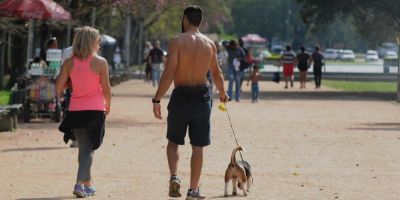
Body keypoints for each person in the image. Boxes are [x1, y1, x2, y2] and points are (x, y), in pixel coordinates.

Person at [152, 5, 228, 199]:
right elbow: (217, 74)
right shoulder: (210, 44)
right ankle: (193, 189)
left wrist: (157, 98)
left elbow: (169, 74)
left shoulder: (177, 41)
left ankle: (174, 177)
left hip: (181, 95)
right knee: (198, 146)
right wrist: (223, 93)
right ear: (200, 21)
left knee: (173, 141)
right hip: (202, 97)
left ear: (185, 19)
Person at [56, 26, 112, 198]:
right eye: (98, 40)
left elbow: (59, 87)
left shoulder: (69, 63)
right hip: (95, 110)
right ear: (92, 42)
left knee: (84, 147)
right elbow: (106, 88)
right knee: (88, 149)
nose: (99, 43)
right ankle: (79, 184)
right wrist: (108, 105)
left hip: (75, 110)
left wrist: (71, 83)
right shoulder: (100, 62)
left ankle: (87, 184)